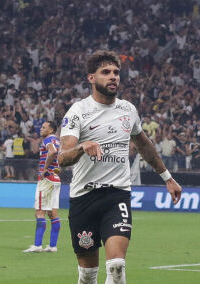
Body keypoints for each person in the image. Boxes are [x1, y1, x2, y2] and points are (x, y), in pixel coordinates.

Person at [58, 50, 182, 284]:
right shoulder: (78, 111)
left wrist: (167, 177)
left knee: (116, 267)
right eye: (106, 72)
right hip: (84, 197)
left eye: (116, 72)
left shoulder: (128, 110)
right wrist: (83, 146)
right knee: (87, 275)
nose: (113, 76)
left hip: (117, 195)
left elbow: (143, 144)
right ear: (91, 78)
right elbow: (63, 158)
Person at [24, 120, 62, 253]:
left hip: (46, 180)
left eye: (44, 127)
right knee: (53, 213)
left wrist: (45, 169)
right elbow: (59, 155)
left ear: (51, 130)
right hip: (55, 178)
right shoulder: (57, 140)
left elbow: (52, 152)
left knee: (39, 212)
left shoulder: (48, 140)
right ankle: (52, 246)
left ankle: (37, 245)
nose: (41, 129)